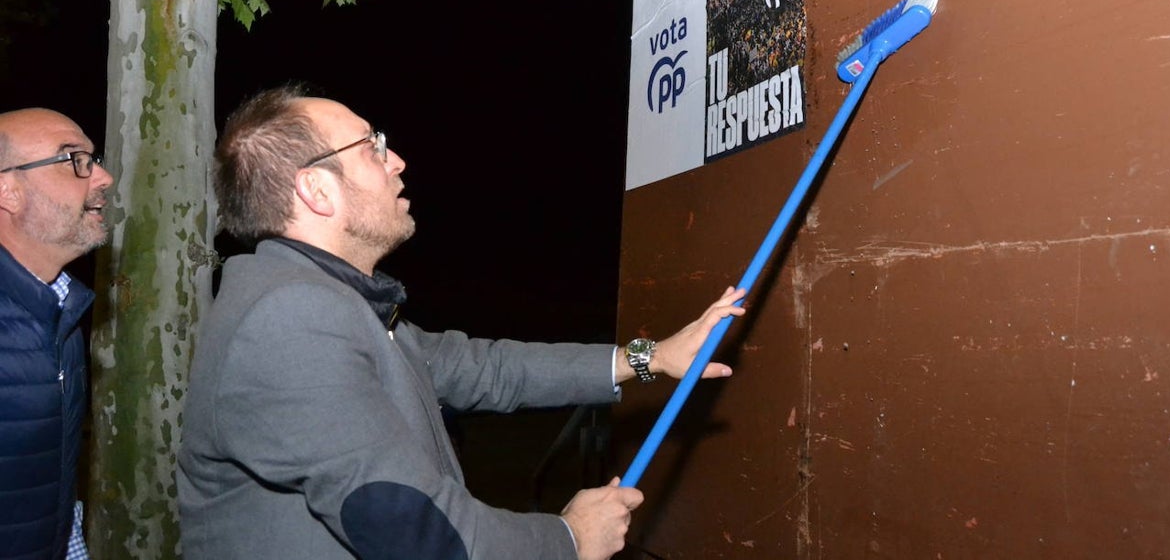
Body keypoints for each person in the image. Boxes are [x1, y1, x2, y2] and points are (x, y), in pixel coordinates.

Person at [177, 85, 746, 560]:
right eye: (371, 146)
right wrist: (567, 538)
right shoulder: (288, 317)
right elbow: (413, 525)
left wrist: (651, 357)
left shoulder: (331, 301)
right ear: (317, 190)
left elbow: (487, 369)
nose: (395, 160)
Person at [0, 108, 113, 560]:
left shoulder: (61, 312)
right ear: (7, 189)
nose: (102, 176)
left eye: (93, 158)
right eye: (73, 159)